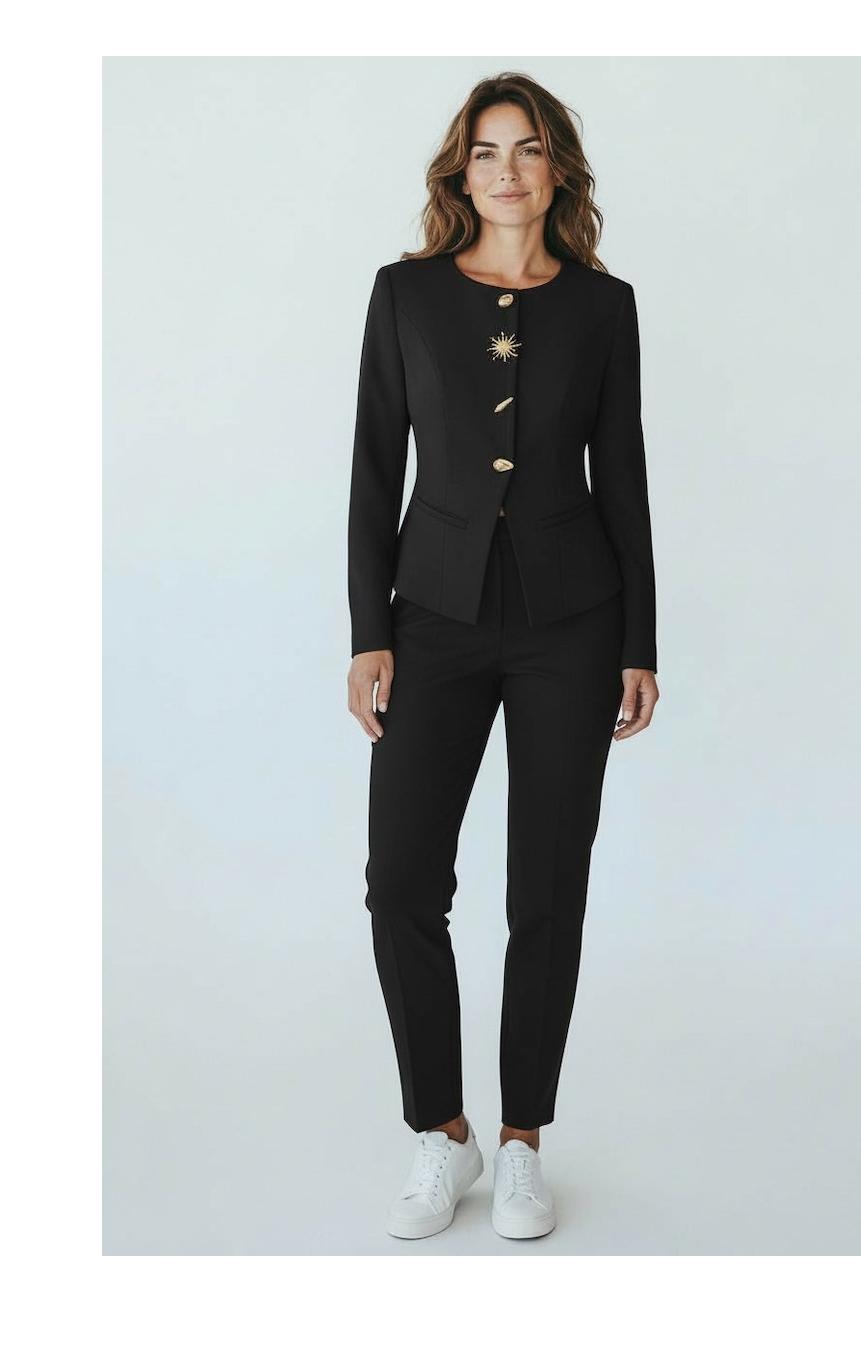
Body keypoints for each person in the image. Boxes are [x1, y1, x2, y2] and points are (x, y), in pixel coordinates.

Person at [346, 72, 659, 1240]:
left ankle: (523, 1138)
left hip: (574, 625)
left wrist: (640, 640)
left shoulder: (605, 307)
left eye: (528, 149)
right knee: (401, 882)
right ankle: (445, 1132)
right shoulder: (406, 294)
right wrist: (369, 632)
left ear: (557, 168)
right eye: (487, 151)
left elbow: (623, 476)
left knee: (548, 888)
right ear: (461, 172)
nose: (508, 170)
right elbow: (374, 467)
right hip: (432, 616)